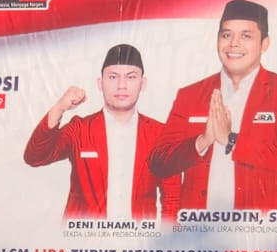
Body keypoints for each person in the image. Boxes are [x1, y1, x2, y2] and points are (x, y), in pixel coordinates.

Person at [149, 0, 277, 214]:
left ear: (264, 44)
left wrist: (231, 140)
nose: (233, 43)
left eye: (246, 36)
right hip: (198, 231)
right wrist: (202, 141)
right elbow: (159, 161)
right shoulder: (190, 95)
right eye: (226, 35)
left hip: (258, 232)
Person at [23, 43, 178, 221]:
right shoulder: (79, 129)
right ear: (100, 83)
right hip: (83, 244)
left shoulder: (161, 134)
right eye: (113, 77)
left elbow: (172, 198)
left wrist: (168, 242)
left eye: (131, 77)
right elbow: (34, 157)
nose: (121, 85)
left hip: (138, 244)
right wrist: (59, 108)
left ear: (142, 83)